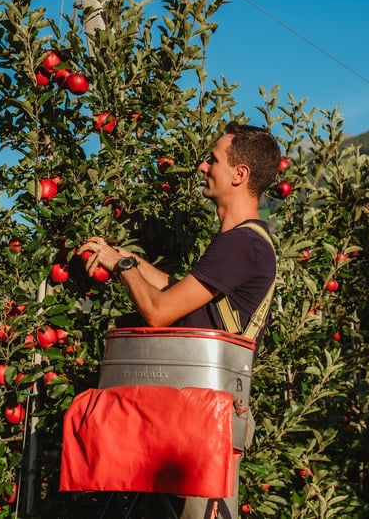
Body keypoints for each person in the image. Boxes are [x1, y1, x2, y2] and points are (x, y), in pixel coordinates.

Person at [78, 121, 282, 519]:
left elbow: (157, 312)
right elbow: (176, 294)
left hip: (207, 422)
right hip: (192, 416)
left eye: (214, 159)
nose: (203, 167)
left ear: (239, 174)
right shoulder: (238, 242)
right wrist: (127, 257)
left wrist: (121, 266)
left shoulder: (242, 244)